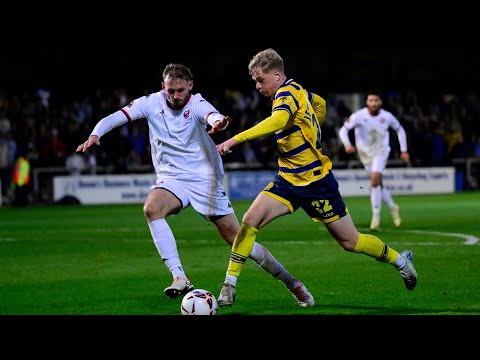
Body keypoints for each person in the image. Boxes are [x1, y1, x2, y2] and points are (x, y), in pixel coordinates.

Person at [76, 63, 314, 307]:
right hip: (172, 177)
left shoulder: (197, 103)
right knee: (152, 209)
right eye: (171, 91)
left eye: (180, 90)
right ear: (163, 87)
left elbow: (212, 114)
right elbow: (116, 117)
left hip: (205, 179)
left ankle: (290, 282)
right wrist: (96, 134)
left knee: (239, 241)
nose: (176, 96)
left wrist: (218, 122)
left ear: (190, 86)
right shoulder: (150, 103)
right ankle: (179, 276)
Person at [215, 48, 417, 307]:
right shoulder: (298, 90)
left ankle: (401, 261)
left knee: (350, 241)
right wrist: (313, 127)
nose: (257, 86)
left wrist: (235, 139)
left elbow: (278, 120)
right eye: (255, 80)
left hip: (317, 184)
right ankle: (229, 284)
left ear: (276, 75)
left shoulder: (286, 95)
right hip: (288, 180)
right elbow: (319, 102)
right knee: (249, 221)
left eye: (260, 79)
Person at [338, 91, 410, 231]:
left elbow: (400, 130)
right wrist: (347, 144)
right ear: (367, 102)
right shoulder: (359, 116)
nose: (373, 103)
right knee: (378, 185)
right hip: (365, 155)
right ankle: (393, 207)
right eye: (371, 100)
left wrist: (404, 150)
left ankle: (375, 219)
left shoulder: (387, 116)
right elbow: (343, 130)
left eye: (376, 100)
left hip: (381, 152)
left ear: (380, 102)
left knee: (374, 182)